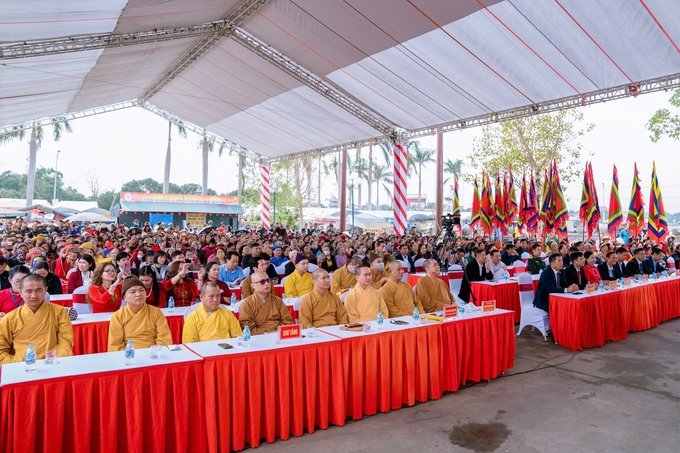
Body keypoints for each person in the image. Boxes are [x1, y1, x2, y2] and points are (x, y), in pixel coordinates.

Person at [0, 274, 74, 363]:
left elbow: (65, 343)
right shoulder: (9, 318)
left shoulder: (59, 312)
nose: (34, 296)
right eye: (28, 291)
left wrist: (50, 360)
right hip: (21, 365)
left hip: (52, 363)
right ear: (20, 293)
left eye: (38, 290)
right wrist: (17, 362)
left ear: (46, 290)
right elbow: (1, 349)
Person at [108, 276, 173, 351]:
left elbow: (164, 339)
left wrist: (155, 353)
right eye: (133, 292)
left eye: (141, 290)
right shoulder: (117, 316)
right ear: (124, 297)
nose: (138, 294)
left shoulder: (156, 312)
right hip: (129, 356)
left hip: (153, 355)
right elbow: (115, 345)